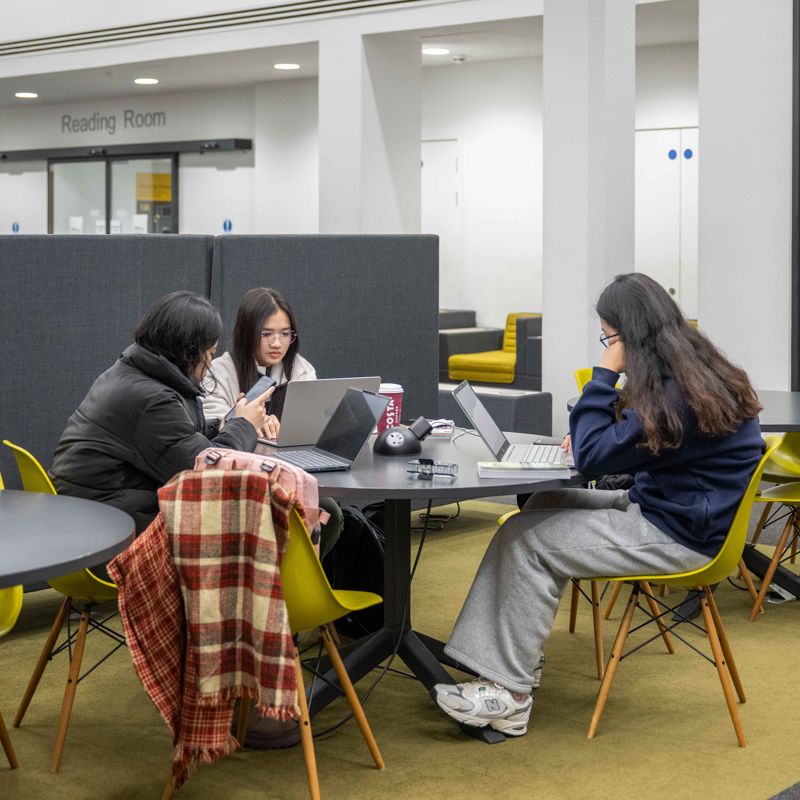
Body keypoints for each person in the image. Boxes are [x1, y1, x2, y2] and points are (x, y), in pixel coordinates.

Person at [433, 272, 764, 737]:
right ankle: (513, 658)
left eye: (608, 336)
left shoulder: (675, 394)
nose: (606, 345)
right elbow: (625, 443)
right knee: (544, 501)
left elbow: (590, 458)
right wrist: (599, 429)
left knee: (524, 538)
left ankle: (509, 698)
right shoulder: (694, 374)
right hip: (678, 513)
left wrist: (605, 369)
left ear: (629, 336)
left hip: (678, 535)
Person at [50, 291, 270, 535]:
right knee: (257, 518)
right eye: (210, 354)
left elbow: (176, 439)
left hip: (88, 515)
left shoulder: (131, 376)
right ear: (189, 352)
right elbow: (210, 476)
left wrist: (223, 424)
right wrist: (244, 425)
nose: (209, 366)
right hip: (106, 531)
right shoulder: (152, 400)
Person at [201, 287, 316, 440]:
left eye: (285, 333)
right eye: (266, 334)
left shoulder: (301, 369)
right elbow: (211, 423)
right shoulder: (218, 371)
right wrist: (247, 422)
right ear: (247, 333)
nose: (276, 343)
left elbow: (310, 422)